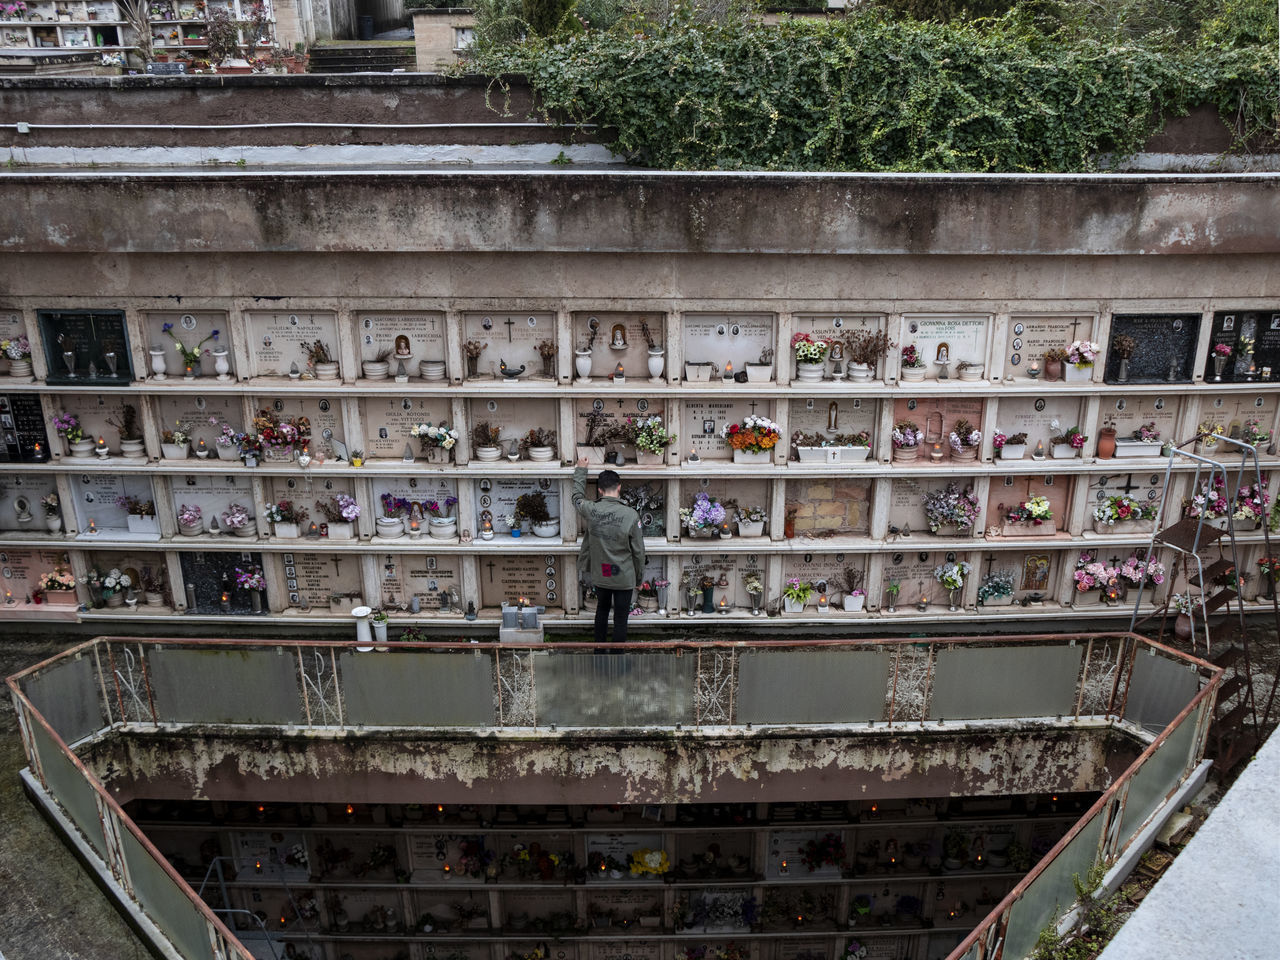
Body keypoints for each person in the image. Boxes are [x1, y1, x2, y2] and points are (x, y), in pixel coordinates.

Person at [574, 458, 645, 644]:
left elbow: (576, 498)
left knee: (602, 612)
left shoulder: (591, 509)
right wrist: (638, 578)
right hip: (624, 576)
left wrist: (581, 470)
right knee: (621, 618)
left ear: (599, 490)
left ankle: (599, 657)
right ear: (619, 487)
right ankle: (617, 660)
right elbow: (639, 552)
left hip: (603, 574)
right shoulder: (631, 515)